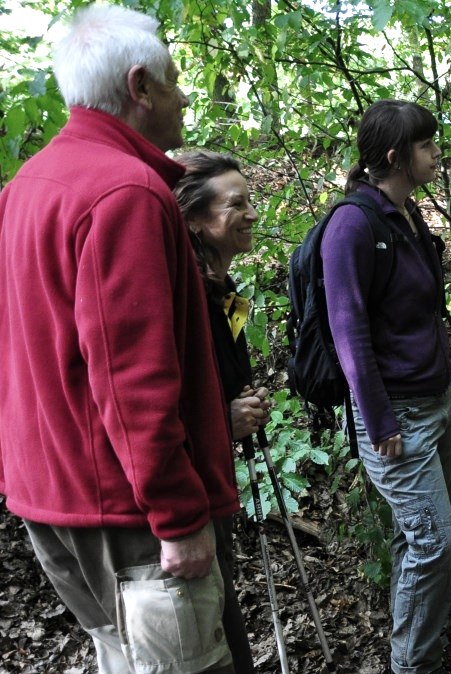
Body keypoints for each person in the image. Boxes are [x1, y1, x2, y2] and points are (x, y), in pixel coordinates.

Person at [0, 6, 238, 674]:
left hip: (51, 502)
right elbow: (134, 377)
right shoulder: (125, 192)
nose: (184, 97)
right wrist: (178, 515)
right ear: (140, 87)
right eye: (175, 80)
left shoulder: (19, 192)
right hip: (127, 514)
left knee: (123, 658)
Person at [324, 99, 451, 674]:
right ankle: (412, 665)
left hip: (437, 404)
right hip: (396, 420)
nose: (436, 154)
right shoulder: (353, 226)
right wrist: (377, 422)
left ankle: (415, 649)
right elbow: (348, 332)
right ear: (394, 157)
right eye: (426, 146)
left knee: (417, 540)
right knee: (434, 544)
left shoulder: (407, 214)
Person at [174, 149, 271, 674]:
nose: (252, 214)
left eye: (250, 201)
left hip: (215, 475)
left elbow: (225, 373)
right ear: (194, 219)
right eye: (236, 205)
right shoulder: (182, 293)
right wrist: (221, 419)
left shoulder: (224, 290)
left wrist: (244, 404)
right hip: (187, 488)